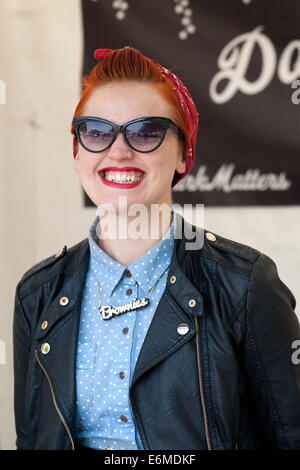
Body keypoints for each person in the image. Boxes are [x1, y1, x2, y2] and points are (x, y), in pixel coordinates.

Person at [13, 47, 300, 451]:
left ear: (184, 153)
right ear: (77, 154)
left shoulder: (246, 285)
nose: (118, 151)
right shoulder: (36, 292)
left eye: (146, 131)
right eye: (96, 131)